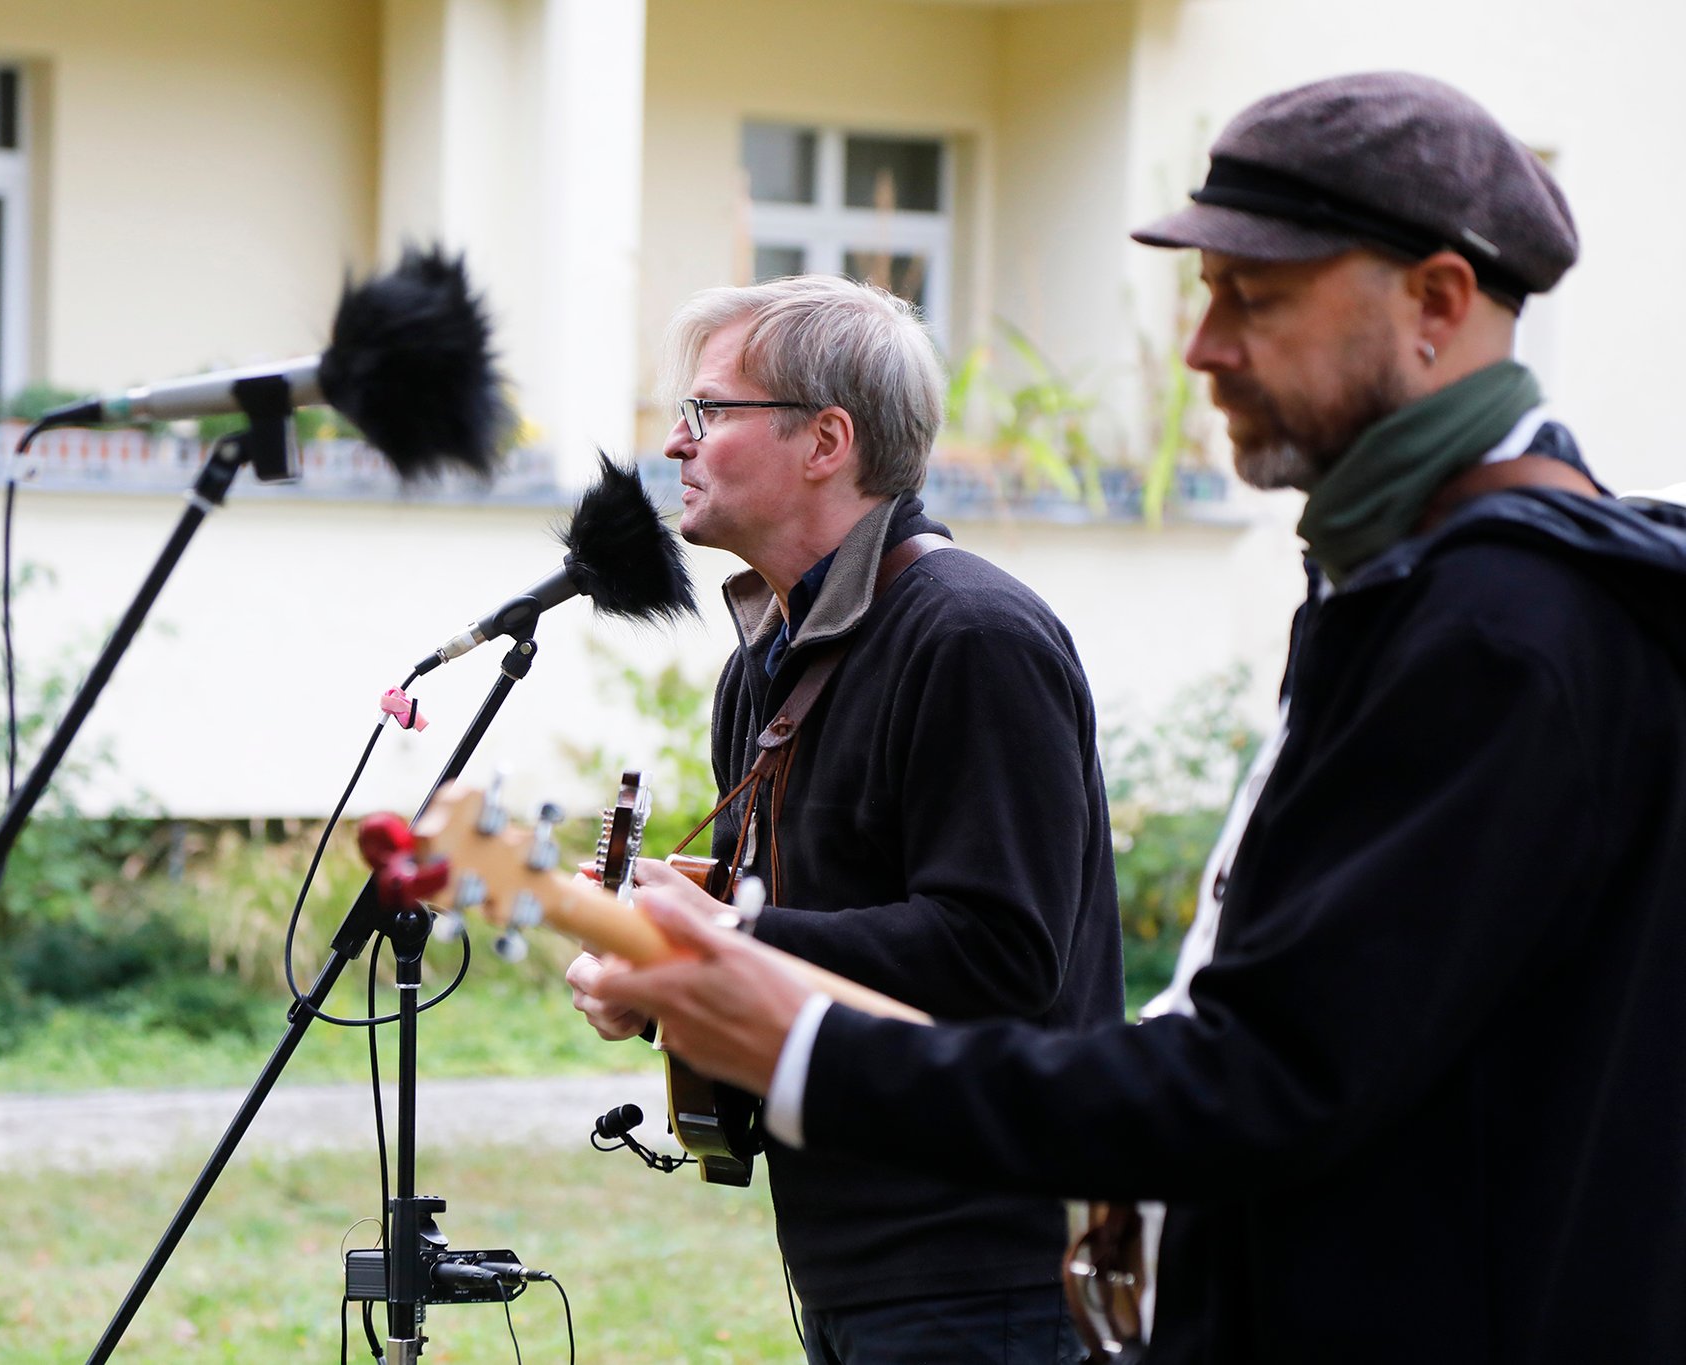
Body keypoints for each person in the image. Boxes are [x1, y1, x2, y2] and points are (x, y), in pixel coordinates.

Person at [589, 72, 1686, 1364]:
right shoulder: (1414, 592)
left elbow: (1264, 1077)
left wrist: (802, 1036)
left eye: (1252, 297)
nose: (1203, 347)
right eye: (1204, 294)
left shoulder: (1501, 631)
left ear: (1439, 301)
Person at [566, 274, 1124, 1362]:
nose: (674, 446)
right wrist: (652, 976)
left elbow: (1001, 950)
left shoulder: (970, 636)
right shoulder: (765, 664)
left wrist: (714, 940)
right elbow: (759, 928)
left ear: (824, 440)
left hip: (981, 1259)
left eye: (707, 413)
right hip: (849, 1249)